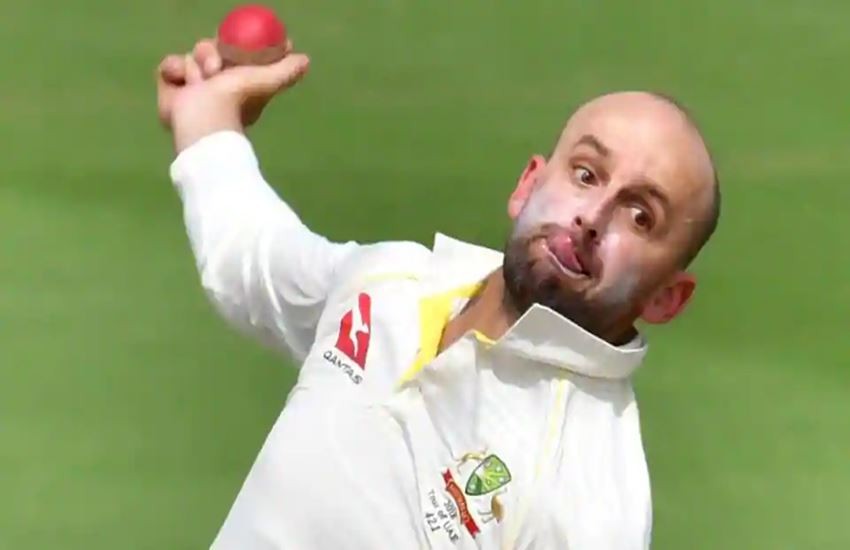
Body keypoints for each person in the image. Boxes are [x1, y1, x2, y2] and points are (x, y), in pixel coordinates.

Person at [156, 37, 720, 550]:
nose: (592, 217)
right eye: (586, 174)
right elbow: (253, 260)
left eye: (640, 216)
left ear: (666, 299)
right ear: (528, 184)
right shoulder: (395, 280)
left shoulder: (588, 504)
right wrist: (209, 121)